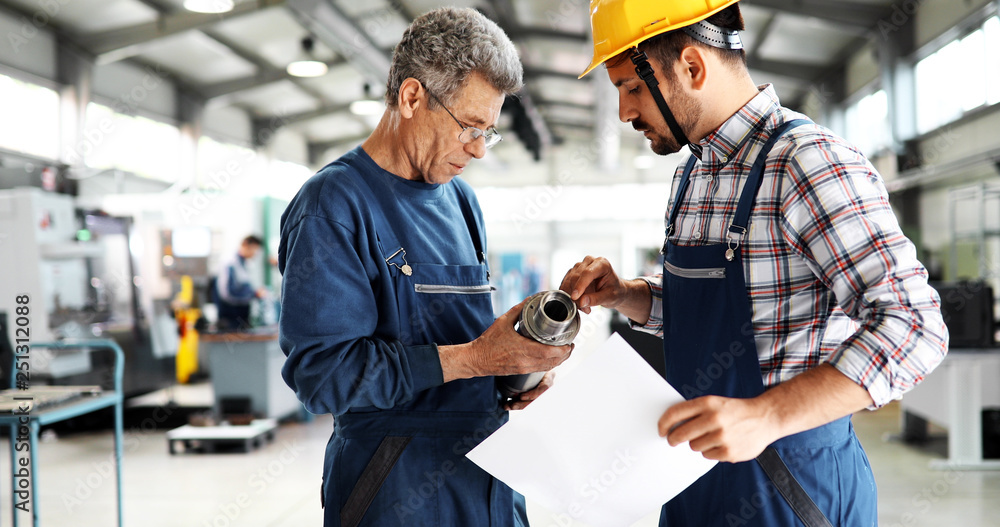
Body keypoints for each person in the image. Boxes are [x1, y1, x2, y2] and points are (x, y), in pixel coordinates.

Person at [561, 1, 949, 525]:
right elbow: (721, 309)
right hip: (691, 479)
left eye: (631, 88)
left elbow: (914, 325)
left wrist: (766, 417)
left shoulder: (808, 162)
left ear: (692, 67)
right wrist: (628, 294)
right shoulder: (692, 176)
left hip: (794, 488)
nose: (626, 112)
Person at [277, 8, 572, 527]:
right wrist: (476, 359)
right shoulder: (333, 205)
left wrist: (512, 371)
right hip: (394, 488)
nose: (479, 150)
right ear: (412, 97)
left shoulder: (461, 201)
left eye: (490, 132)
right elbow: (323, 376)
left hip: (488, 479)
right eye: (470, 127)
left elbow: (464, 340)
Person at [213, 234, 267, 330]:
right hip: (230, 319)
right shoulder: (230, 263)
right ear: (246, 245)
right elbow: (227, 293)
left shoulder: (244, 263)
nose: (255, 253)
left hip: (241, 318)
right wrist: (253, 294)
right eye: (255, 249)